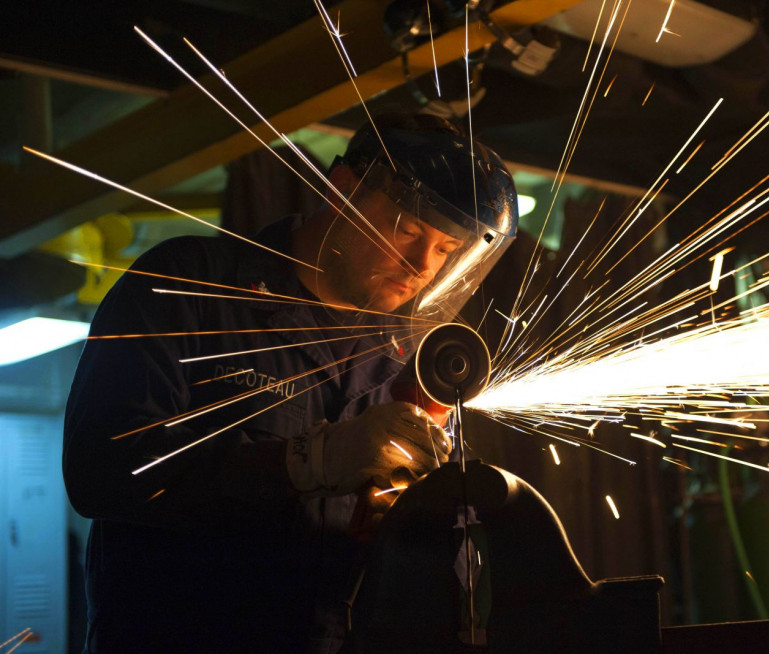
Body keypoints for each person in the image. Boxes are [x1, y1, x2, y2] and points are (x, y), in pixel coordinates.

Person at [62, 113, 518, 653]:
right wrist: (308, 461)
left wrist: (404, 521)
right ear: (344, 189)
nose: (423, 264)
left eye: (446, 249)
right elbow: (101, 472)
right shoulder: (191, 285)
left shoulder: (413, 363)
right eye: (408, 229)